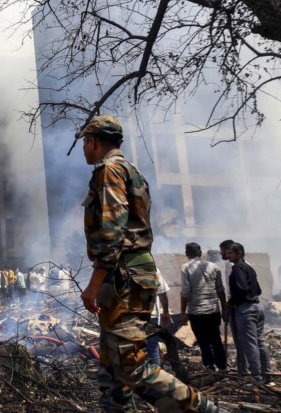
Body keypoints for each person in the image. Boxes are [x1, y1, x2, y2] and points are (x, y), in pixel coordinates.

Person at [76, 116, 217, 412]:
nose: (84, 149)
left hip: (123, 278)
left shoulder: (109, 170)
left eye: (85, 143)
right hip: (131, 275)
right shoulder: (132, 170)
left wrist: (93, 285)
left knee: (131, 367)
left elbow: (111, 230)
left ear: (92, 141)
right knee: (112, 368)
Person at [226, 242, 273, 385]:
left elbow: (242, 289)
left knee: (250, 344)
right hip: (257, 307)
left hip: (246, 309)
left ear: (239, 253)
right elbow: (258, 290)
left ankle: (257, 378)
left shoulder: (237, 268)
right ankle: (267, 375)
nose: (228, 256)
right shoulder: (249, 267)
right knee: (260, 342)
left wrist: (231, 302)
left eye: (230, 253)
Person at [180, 242, 228, 371]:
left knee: (202, 340)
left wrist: (183, 312)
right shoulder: (213, 266)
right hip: (213, 310)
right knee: (216, 338)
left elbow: (185, 291)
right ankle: (222, 367)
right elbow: (220, 290)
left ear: (186, 254)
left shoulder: (185, 267)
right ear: (200, 253)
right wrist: (224, 309)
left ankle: (209, 367)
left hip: (196, 312)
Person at [145, 266, 171, 367]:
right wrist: (166, 312)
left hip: (132, 317)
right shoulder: (153, 269)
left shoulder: (124, 268)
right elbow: (162, 293)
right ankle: (155, 374)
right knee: (152, 347)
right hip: (151, 316)